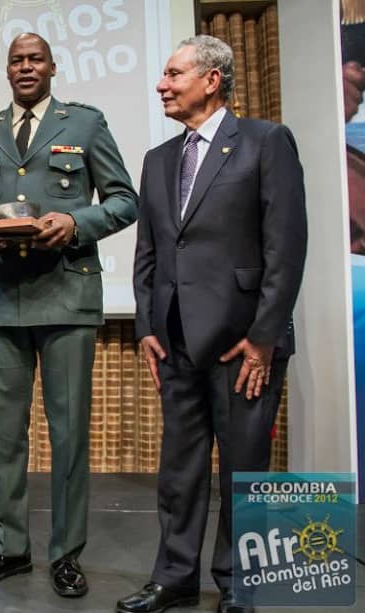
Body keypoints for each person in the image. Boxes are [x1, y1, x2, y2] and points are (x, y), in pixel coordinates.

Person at [118, 36, 306, 613]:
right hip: (175, 342)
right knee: (180, 471)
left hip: (242, 344)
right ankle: (174, 577)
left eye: (173, 74)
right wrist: (146, 326)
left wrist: (265, 337)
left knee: (244, 474)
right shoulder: (157, 159)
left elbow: (286, 246)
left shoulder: (265, 141)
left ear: (212, 79)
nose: (161, 85)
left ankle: (241, 587)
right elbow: (149, 252)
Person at [0, 32, 137, 596]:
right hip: (2, 298)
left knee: (69, 434)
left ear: (52, 67)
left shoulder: (85, 124)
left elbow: (124, 199)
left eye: (35, 59)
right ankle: (6, 549)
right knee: (5, 435)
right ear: (6, 70)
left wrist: (77, 223)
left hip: (67, 297)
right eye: (16, 60)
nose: (26, 67)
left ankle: (66, 554)